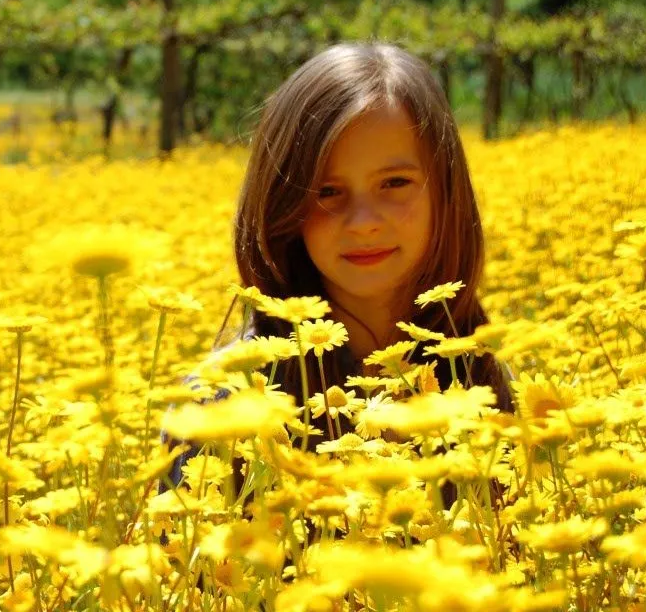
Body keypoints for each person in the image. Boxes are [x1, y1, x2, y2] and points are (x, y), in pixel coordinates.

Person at [158, 41, 515, 499]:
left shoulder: (497, 391)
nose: (364, 222)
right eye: (326, 191)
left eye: (395, 183)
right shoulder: (215, 408)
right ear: (283, 207)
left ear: (446, 193)